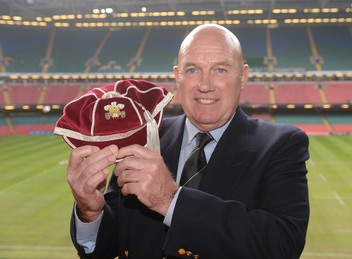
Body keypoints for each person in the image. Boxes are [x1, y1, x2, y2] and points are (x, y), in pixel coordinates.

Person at [66, 24, 310, 259]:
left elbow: (282, 245)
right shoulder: (144, 136)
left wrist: (170, 199)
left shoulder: (282, 145)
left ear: (243, 76)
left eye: (220, 70)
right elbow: (111, 245)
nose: (205, 85)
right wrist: (91, 211)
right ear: (177, 76)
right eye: (192, 70)